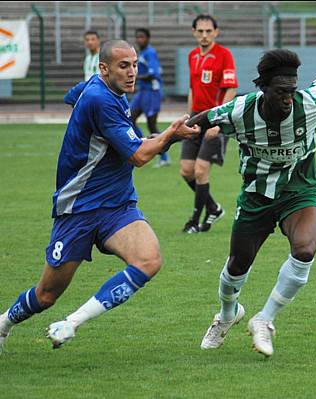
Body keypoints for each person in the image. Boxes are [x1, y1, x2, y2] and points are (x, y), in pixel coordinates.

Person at [0, 40, 199, 353]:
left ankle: (73, 322)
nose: (132, 72)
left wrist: (167, 136)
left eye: (134, 65)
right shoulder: (100, 99)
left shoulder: (100, 90)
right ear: (103, 68)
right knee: (45, 296)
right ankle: (3, 325)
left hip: (117, 205)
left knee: (149, 260)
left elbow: (73, 98)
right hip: (78, 208)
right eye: (124, 66)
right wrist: (171, 135)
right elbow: (139, 156)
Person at [186, 49, 316, 357]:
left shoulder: (308, 105)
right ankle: (228, 314)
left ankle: (264, 319)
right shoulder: (240, 111)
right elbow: (201, 120)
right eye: (281, 92)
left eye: (291, 91)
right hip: (256, 196)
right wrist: (160, 141)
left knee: (305, 249)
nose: (287, 98)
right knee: (237, 266)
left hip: (302, 190)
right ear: (264, 89)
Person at [181, 14, 238, 234]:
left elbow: (231, 88)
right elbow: (192, 89)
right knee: (186, 170)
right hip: (196, 117)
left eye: (208, 31)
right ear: (194, 32)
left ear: (216, 32)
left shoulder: (224, 55)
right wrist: (188, 119)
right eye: (200, 31)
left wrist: (219, 121)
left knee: (201, 170)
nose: (204, 35)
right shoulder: (193, 55)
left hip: (215, 119)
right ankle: (213, 208)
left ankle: (195, 221)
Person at [130, 28, 170, 168]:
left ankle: (164, 156)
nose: (139, 40)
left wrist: (135, 77)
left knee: (151, 125)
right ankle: (141, 145)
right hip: (143, 91)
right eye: (137, 37)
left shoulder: (150, 53)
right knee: (130, 118)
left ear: (148, 38)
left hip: (152, 91)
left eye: (142, 37)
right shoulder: (141, 52)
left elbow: (153, 73)